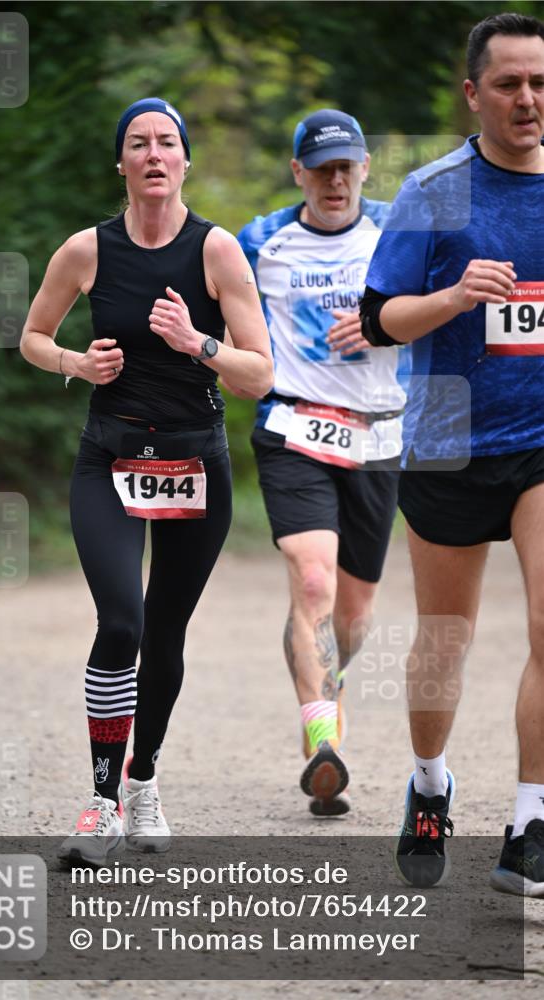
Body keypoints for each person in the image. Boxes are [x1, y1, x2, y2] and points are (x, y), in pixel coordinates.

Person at [20, 97, 273, 864]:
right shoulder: (84, 251)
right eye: (139, 143)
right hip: (112, 456)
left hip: (195, 460)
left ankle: (144, 779)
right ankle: (98, 803)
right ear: (122, 162)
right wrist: (74, 363)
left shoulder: (217, 252)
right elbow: (31, 336)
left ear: (185, 160)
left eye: (168, 142)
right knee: (121, 622)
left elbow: (258, 375)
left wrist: (196, 342)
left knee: (164, 634)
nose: (154, 154)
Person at [360, 13, 544, 895]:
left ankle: (530, 820)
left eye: (539, 83)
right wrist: (451, 296)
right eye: (508, 83)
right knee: (443, 642)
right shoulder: (432, 192)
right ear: (473, 93)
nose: (527, 99)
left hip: (539, 443)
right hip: (446, 441)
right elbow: (374, 320)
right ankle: (429, 784)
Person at [233, 110, 408, 817]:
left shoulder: (399, 232)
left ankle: (321, 701)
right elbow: (227, 319)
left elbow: (439, 309)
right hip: (293, 426)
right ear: (297, 170)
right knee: (312, 582)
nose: (335, 179)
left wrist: (382, 319)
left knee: (352, 615)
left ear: (364, 167)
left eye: (347, 165)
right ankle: (321, 743)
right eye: (322, 166)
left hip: (378, 437)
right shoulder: (257, 241)